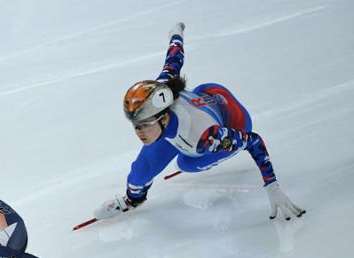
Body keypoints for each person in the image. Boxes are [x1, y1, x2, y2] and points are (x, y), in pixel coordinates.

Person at [94, 22, 305, 221]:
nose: (139, 132)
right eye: (136, 125)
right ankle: (134, 199)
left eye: (145, 125)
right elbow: (173, 59)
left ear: (164, 117)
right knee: (140, 171)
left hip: (234, 121)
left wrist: (272, 186)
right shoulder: (161, 89)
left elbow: (254, 141)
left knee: (186, 163)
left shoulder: (206, 138)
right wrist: (176, 35)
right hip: (202, 102)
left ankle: (192, 156)